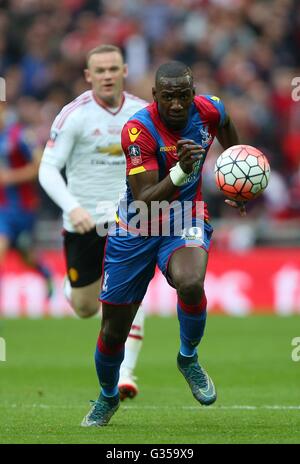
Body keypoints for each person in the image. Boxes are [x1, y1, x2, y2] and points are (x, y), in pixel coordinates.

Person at [81, 60, 246, 427]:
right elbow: (145, 199)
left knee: (190, 283)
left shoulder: (209, 110)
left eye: (183, 96)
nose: (176, 104)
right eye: (168, 97)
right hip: (137, 225)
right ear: (155, 96)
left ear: (193, 93)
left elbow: (228, 127)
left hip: (184, 217)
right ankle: (108, 398)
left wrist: (240, 178)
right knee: (112, 331)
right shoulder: (138, 131)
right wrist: (182, 170)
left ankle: (188, 357)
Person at [39, 44, 147, 400]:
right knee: (86, 308)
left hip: (129, 219)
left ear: (124, 71)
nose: (106, 76)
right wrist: (72, 208)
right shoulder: (74, 116)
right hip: (84, 222)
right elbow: (48, 169)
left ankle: (125, 375)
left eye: (112, 69)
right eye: (99, 70)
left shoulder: (142, 112)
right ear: (88, 75)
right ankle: (74, 289)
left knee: (132, 293)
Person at [0, 103, 53, 297]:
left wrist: (9, 177)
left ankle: (45, 273)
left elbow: (39, 165)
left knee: (27, 255)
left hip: (23, 209)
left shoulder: (20, 135)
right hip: (2, 210)